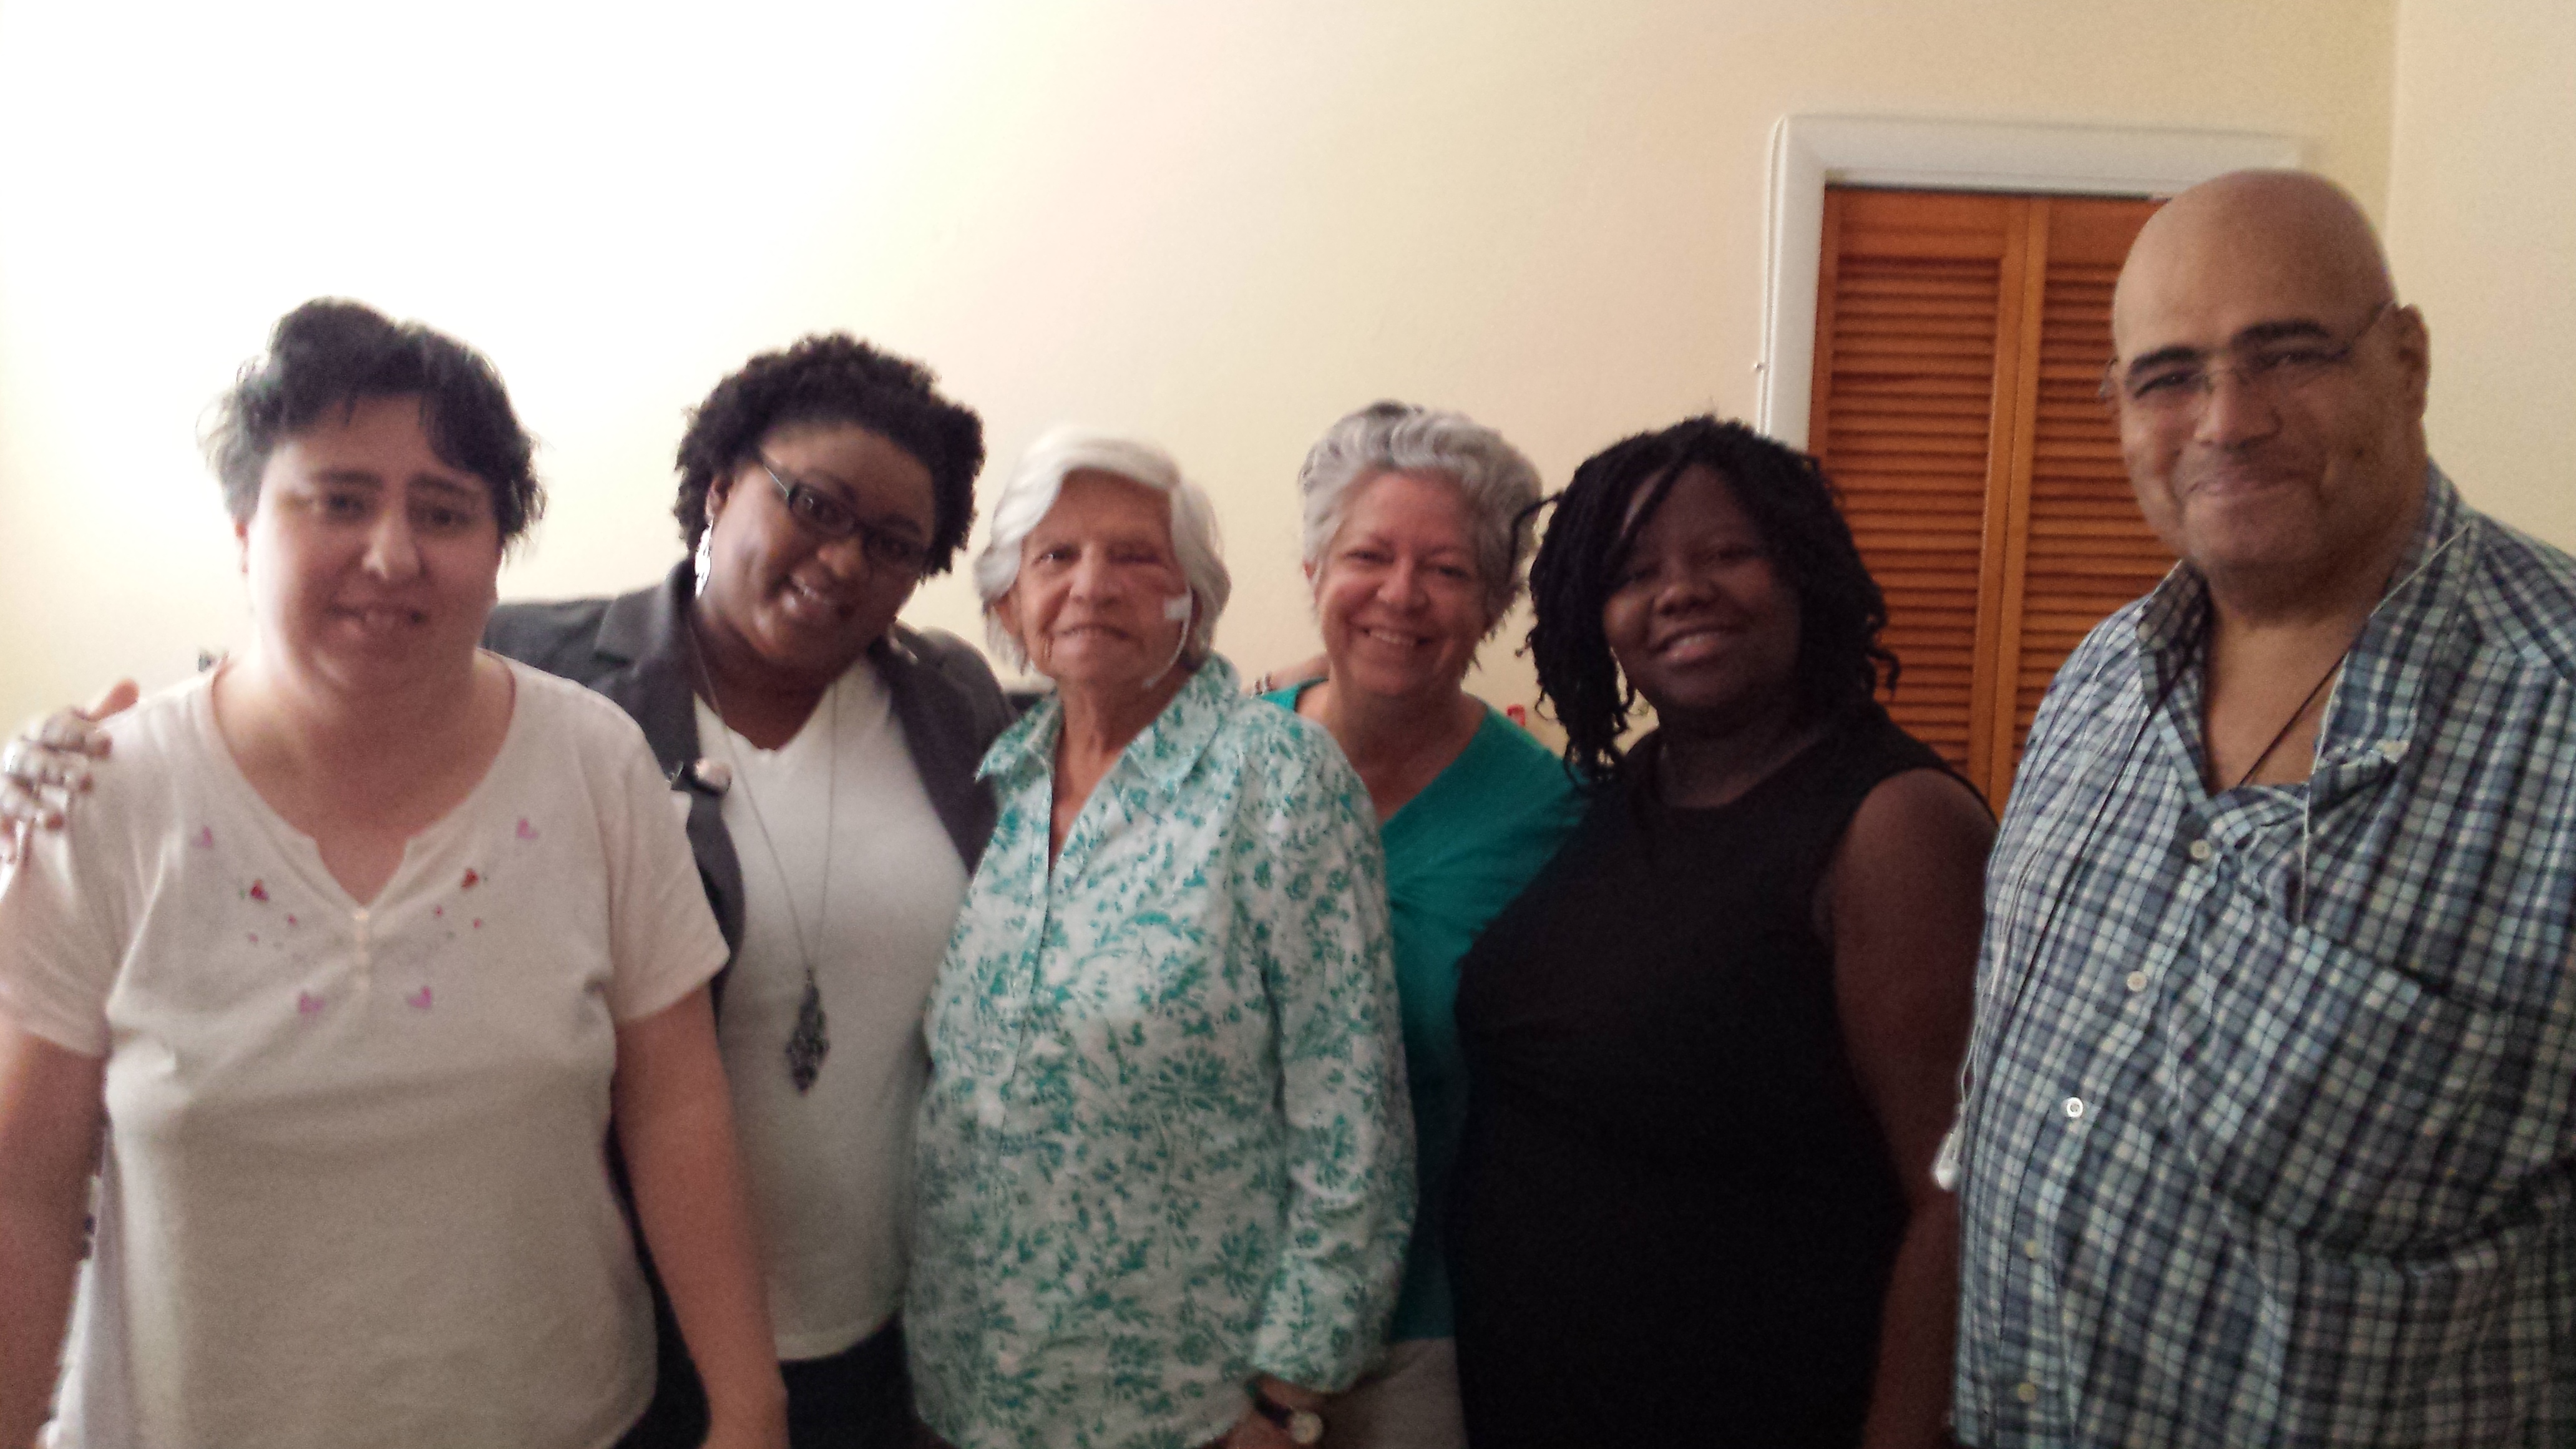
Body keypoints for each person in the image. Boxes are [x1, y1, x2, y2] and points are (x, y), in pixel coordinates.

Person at [4, 333, 1011, 1448]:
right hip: (536, 1350)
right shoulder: (572, 687)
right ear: (722, 488)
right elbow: (25, 1187)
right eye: (814, 504)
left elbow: (677, 1092)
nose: (391, 556)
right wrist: (54, 765)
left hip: (835, 1326)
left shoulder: (946, 700)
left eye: (892, 541)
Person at [1949, 170, 2576, 1447]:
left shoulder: (2557, 720)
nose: (2227, 420)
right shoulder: (2097, 683)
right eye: (2169, 375)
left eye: (2286, 353)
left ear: (2406, 359)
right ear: (2118, 410)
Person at [1449, 416, 1989, 1448]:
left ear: (1802, 573)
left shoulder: (1893, 822)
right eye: (1634, 570)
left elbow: (1956, 1194)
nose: (1681, 589)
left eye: (1729, 553)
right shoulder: (1627, 792)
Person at [906, 427, 1413, 1449]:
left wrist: (1287, 1393)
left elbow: (1352, 1111)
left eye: (1136, 556)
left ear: (1193, 600)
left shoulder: (1279, 777)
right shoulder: (993, 785)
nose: (1093, 584)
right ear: (1009, 603)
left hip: (1186, 1406)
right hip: (971, 1382)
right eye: (1056, 557)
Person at [1254, 402, 1583, 1447]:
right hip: (1205, 1311)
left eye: (1446, 569)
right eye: (1368, 554)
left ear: (1492, 604)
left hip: (1424, 1329)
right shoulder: (1215, 766)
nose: (1400, 594)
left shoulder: (1555, 819)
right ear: (1313, 571)